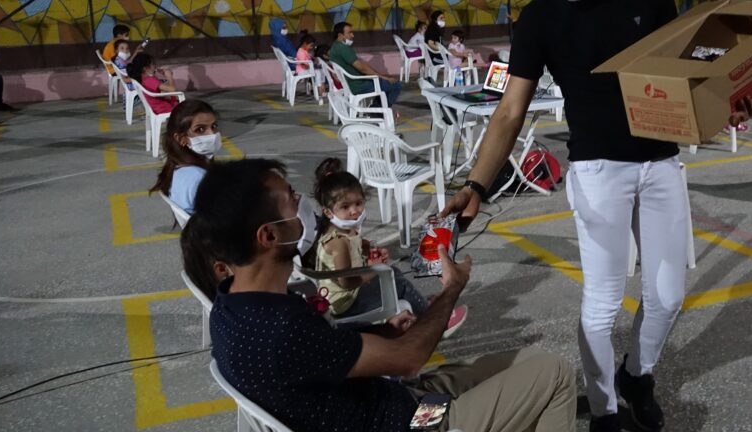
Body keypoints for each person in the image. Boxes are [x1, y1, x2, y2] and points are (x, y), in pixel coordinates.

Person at [439, 0, 752, 432]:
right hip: (598, 169)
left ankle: (638, 374)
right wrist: (476, 183)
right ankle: (605, 411)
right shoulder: (538, 21)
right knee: (603, 305)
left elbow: (682, 72)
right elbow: (510, 110)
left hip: (659, 160)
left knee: (669, 294)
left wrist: (728, 97)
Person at [191, 158, 576, 432]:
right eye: (292, 201)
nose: (303, 207)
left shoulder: (232, 304)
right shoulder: (281, 330)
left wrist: (385, 329)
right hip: (412, 422)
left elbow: (327, 354)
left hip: (397, 401)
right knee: (555, 374)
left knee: (529, 359)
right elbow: (410, 359)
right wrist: (452, 287)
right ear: (269, 236)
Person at [310, 158, 468, 334]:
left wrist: (368, 250)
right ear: (328, 212)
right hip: (345, 304)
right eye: (345, 207)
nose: (354, 211)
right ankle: (435, 323)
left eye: (358, 203)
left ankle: (421, 306)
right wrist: (372, 270)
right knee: (397, 282)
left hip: (346, 298)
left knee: (395, 274)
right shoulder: (338, 242)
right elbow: (346, 282)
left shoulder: (343, 230)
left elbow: (355, 246)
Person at [150, 99, 221, 214]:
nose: (212, 134)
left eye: (214, 126)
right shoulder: (200, 179)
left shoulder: (177, 167)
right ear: (181, 139)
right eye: (200, 129)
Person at [329, 21, 402, 107]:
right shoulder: (343, 48)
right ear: (340, 35)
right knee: (396, 85)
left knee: (384, 83)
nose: (352, 35)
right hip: (358, 85)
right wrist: (383, 77)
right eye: (349, 33)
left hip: (352, 83)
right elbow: (362, 68)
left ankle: (377, 108)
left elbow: (362, 65)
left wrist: (380, 76)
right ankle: (378, 110)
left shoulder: (335, 47)